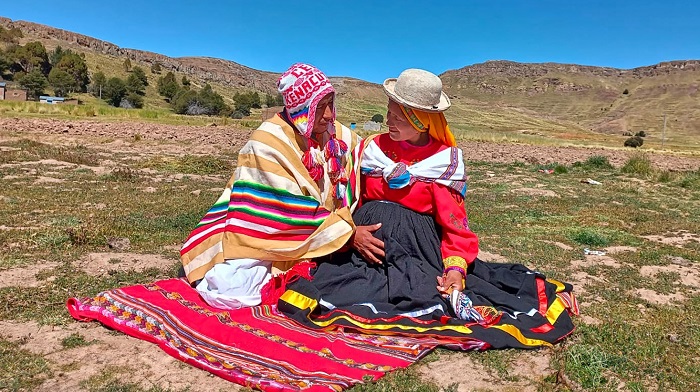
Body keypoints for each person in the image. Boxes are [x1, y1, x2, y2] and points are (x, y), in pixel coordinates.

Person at [278, 69, 578, 349]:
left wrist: (456, 269)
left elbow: (454, 223)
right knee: (335, 288)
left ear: (420, 120)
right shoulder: (371, 148)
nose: (388, 121)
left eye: (398, 117)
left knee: (417, 292)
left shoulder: (442, 162)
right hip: (365, 245)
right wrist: (348, 232)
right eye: (388, 113)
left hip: (414, 248)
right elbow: (348, 196)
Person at [180, 63, 366, 309]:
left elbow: (366, 153)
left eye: (332, 104)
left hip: (322, 230)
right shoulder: (266, 143)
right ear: (301, 109)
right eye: (320, 108)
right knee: (230, 286)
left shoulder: (335, 134)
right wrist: (346, 234)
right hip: (263, 235)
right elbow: (283, 210)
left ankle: (318, 254)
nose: (330, 115)